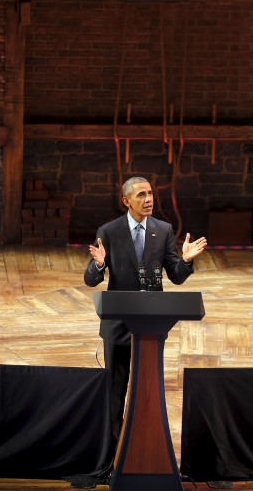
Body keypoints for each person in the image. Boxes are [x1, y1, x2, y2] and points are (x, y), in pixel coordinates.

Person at [84, 176, 207, 444]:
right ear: (126, 201)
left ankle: (145, 446)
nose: (148, 199)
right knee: (115, 388)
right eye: (141, 195)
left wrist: (184, 261)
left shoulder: (163, 230)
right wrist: (101, 264)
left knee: (147, 388)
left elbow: (174, 275)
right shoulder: (108, 231)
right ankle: (112, 450)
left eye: (150, 193)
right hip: (118, 324)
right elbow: (90, 279)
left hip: (152, 324)